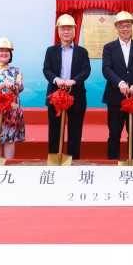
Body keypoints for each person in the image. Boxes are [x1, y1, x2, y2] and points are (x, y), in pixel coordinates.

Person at [102, 11, 133, 160]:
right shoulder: (109, 47)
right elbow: (106, 68)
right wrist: (120, 83)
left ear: (132, 27)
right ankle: (112, 163)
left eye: (128, 26)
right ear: (116, 28)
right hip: (115, 97)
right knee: (114, 133)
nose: (125, 29)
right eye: (121, 26)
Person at [43, 14, 91, 160]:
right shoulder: (51, 50)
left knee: (75, 131)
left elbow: (86, 70)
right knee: (55, 130)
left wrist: (74, 81)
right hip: (55, 95)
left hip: (76, 95)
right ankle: (54, 159)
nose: (66, 32)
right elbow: (47, 69)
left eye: (69, 29)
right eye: (63, 29)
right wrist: (56, 80)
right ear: (58, 31)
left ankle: (73, 160)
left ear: (74, 31)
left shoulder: (82, 52)